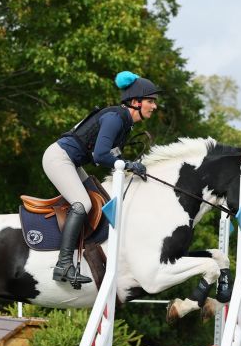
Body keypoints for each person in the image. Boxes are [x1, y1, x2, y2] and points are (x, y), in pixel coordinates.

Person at [43, 71, 160, 286]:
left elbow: (109, 156)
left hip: (71, 162)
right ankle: (63, 264)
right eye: (150, 101)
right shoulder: (116, 118)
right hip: (59, 158)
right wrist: (129, 165)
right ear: (135, 102)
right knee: (83, 203)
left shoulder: (125, 123)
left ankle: (85, 257)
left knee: (100, 200)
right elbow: (101, 155)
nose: (154, 106)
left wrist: (128, 165)